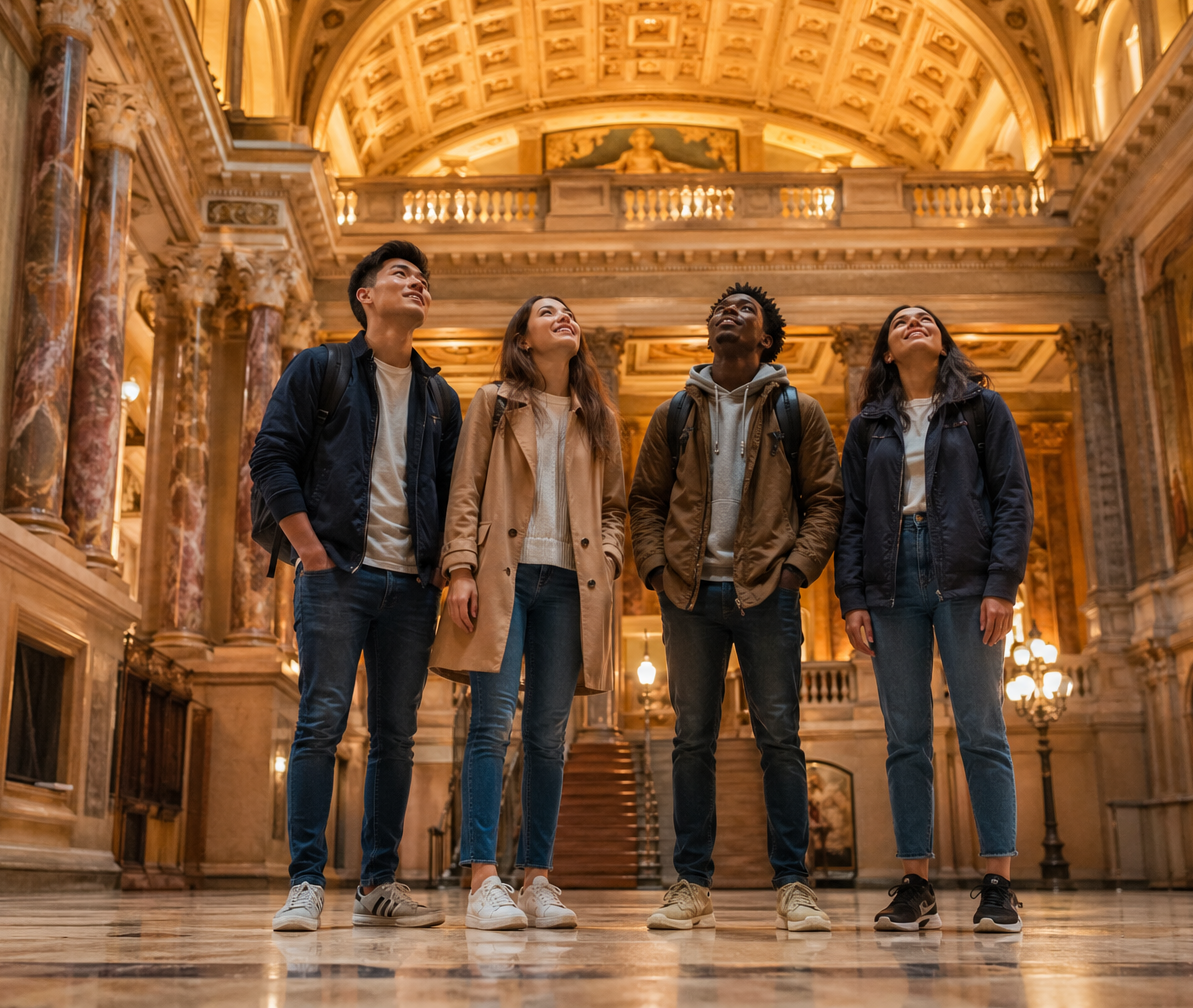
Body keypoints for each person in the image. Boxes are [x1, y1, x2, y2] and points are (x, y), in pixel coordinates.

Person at [250, 240, 460, 932]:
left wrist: (440, 566)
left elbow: (454, 491)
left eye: (423, 279)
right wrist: (310, 552)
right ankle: (306, 881)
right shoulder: (321, 368)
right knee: (320, 724)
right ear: (366, 296)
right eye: (402, 274)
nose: (417, 283)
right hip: (337, 575)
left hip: (410, 588)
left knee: (395, 734)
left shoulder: (439, 397)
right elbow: (271, 457)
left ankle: (378, 883)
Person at [627, 283, 843, 932]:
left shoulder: (797, 412)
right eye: (719, 307)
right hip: (690, 595)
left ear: (766, 338)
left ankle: (793, 885)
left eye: (742, 310)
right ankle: (691, 883)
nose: (726, 313)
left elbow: (826, 500)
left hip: (765, 593)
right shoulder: (675, 413)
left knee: (780, 737)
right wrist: (659, 570)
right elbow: (645, 501)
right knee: (691, 739)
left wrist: (795, 571)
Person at [429, 295, 628, 931]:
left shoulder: (599, 417)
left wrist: (613, 559)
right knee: (491, 724)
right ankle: (483, 878)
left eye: (571, 311)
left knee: (548, 735)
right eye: (548, 312)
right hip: (503, 579)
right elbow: (464, 490)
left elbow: (616, 508)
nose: (566, 317)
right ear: (523, 335)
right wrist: (460, 569)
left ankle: (537, 877)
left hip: (573, 585)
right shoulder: (492, 403)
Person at [836, 305, 1032, 934]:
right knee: (906, 738)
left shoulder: (981, 408)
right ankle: (915, 884)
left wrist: (1001, 585)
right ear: (887, 352)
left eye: (925, 318)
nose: (914, 323)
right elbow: (852, 519)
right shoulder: (869, 426)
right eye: (900, 322)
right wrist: (853, 598)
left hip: (967, 579)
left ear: (943, 340)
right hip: (892, 581)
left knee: (981, 728)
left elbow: (1012, 498)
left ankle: (998, 884)